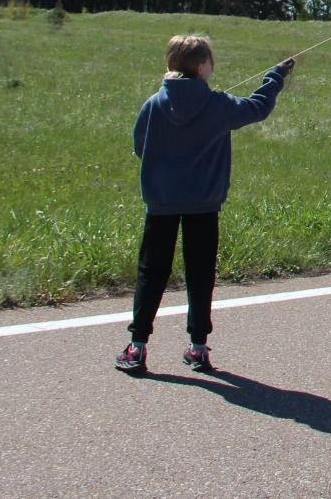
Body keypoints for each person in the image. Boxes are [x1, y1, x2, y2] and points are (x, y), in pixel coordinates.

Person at [116, 35, 293, 374]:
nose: (213, 66)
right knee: (200, 275)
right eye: (211, 61)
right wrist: (275, 78)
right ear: (200, 66)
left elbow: (141, 148)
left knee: (151, 273)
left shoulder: (153, 104)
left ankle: (137, 347)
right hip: (204, 205)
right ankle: (198, 348)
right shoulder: (219, 104)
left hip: (160, 204)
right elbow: (257, 107)